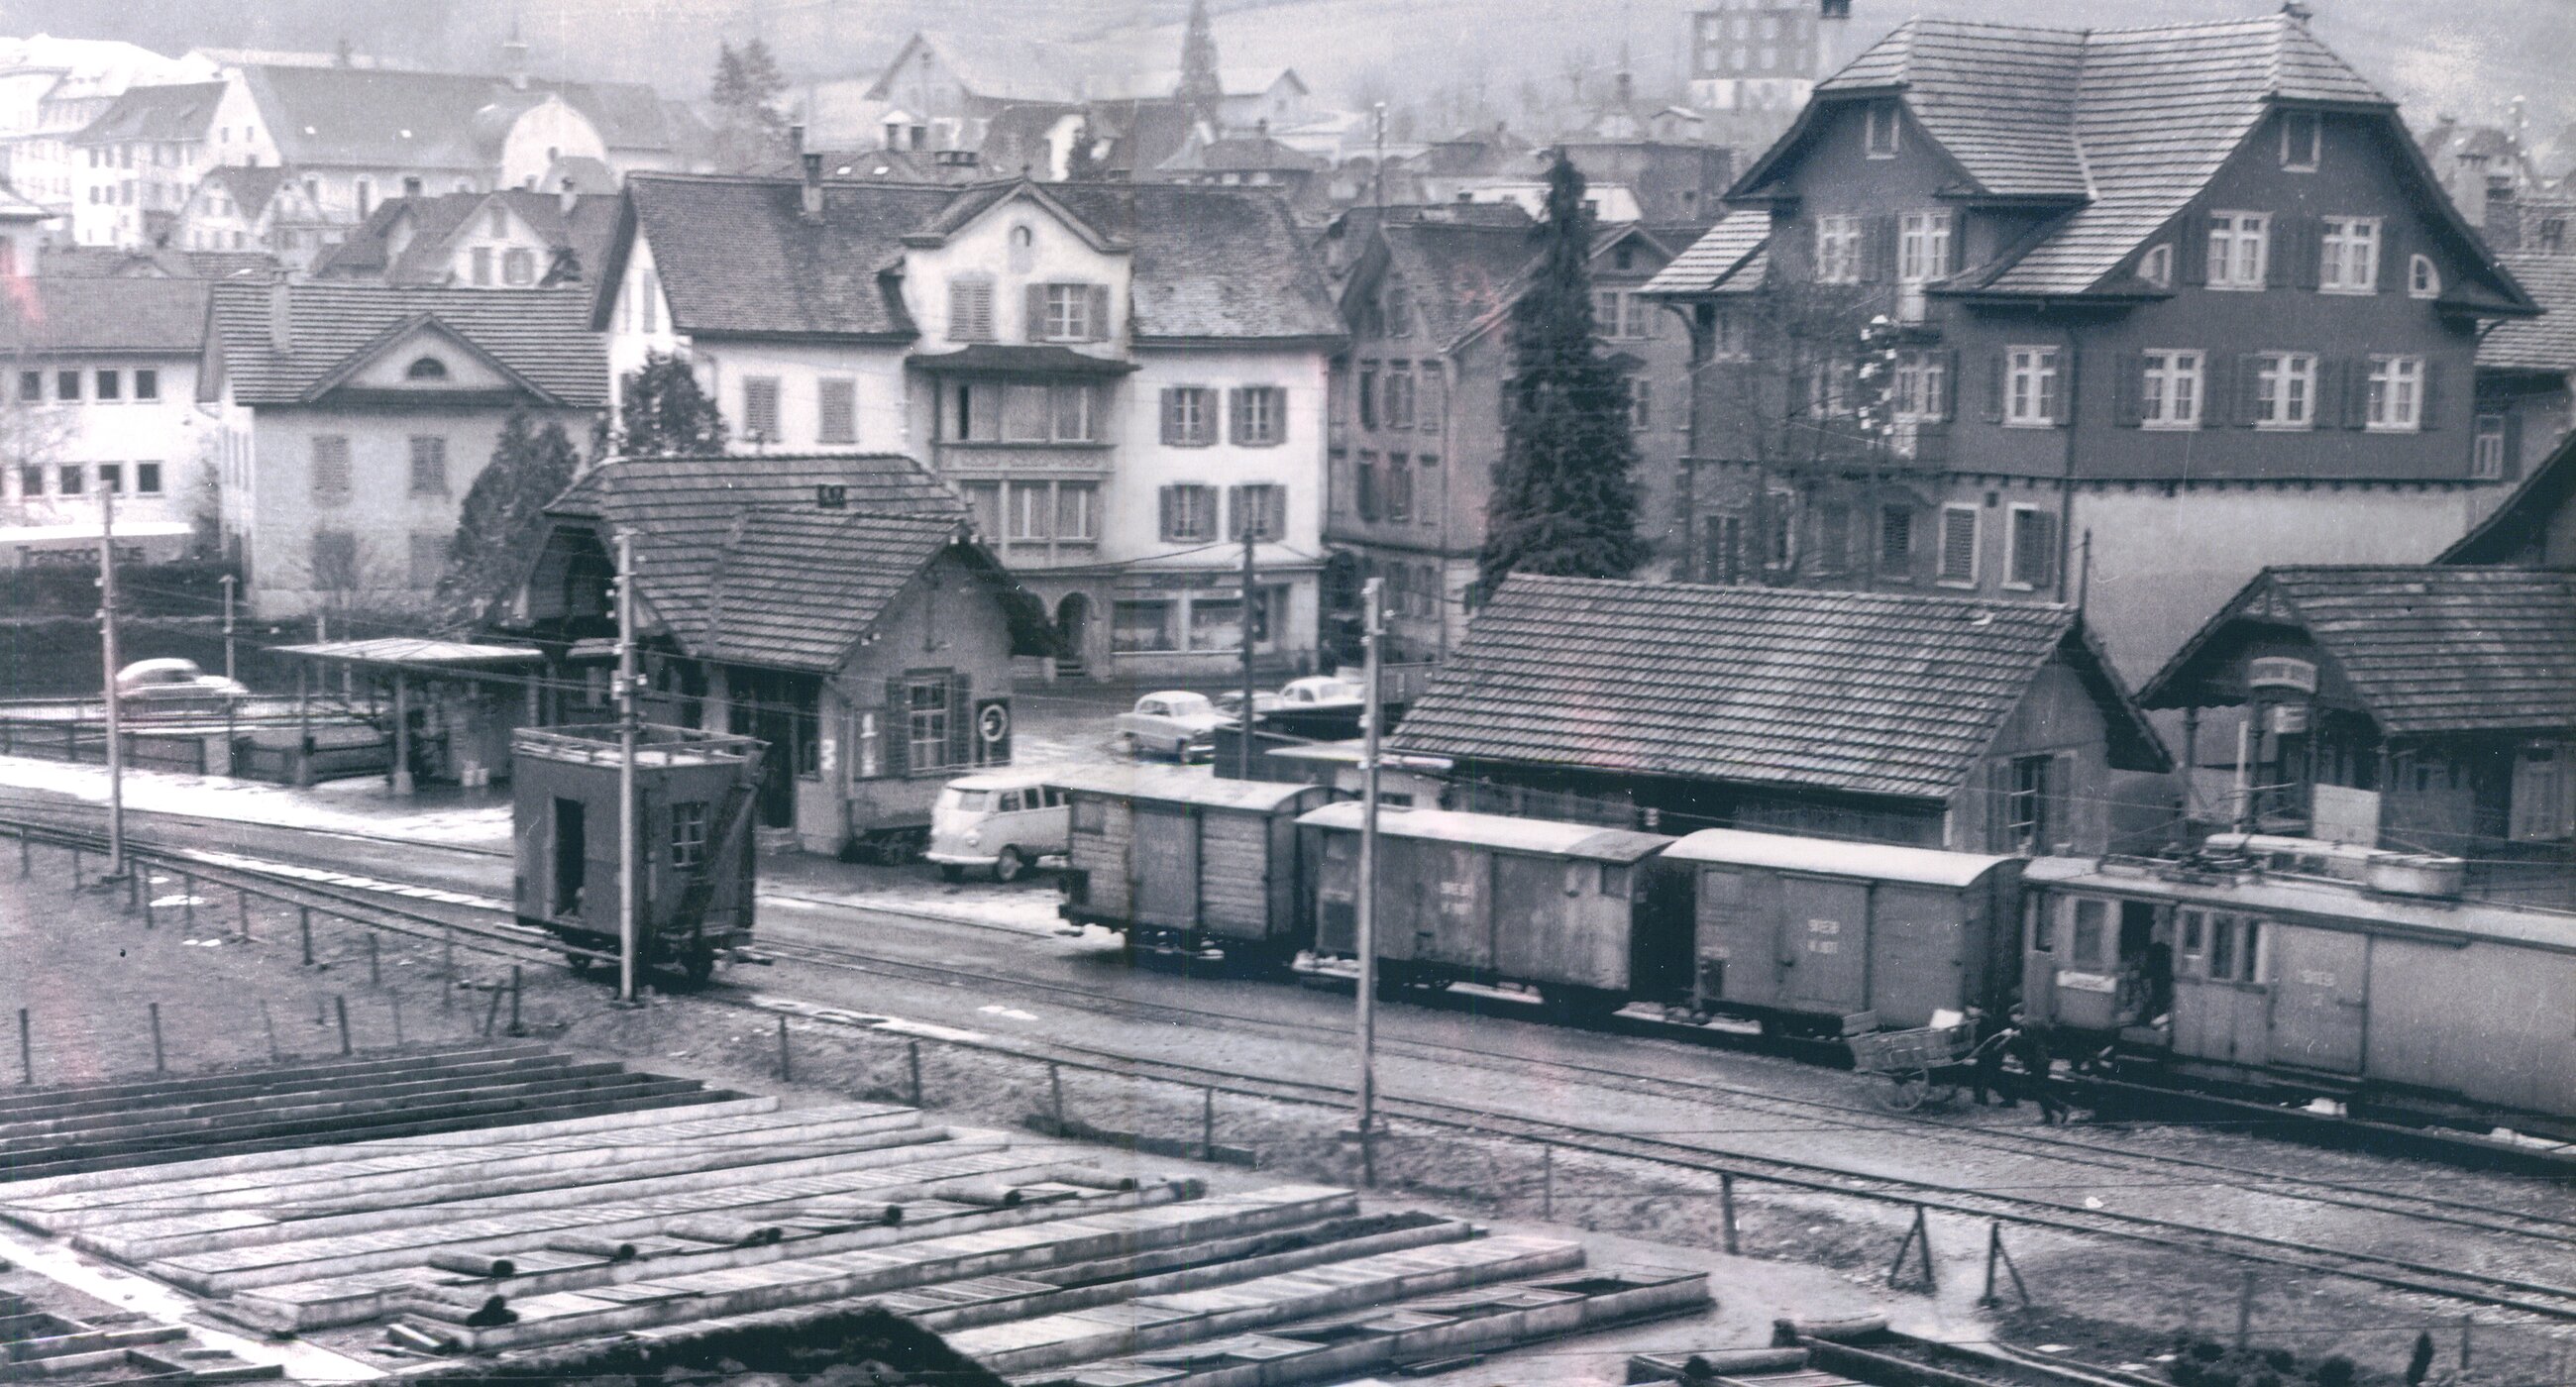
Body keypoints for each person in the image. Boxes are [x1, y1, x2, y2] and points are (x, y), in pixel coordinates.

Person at [2011, 1016, 2068, 1124]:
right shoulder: (2033, 1023)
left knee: (2038, 1091)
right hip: (2042, 1061)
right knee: (2039, 1090)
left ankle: (2062, 1108)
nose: (2012, 1019)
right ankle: (2048, 1116)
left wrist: (2016, 1035)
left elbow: (2025, 1044)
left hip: (2038, 1062)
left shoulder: (2024, 1026)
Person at [1968, 1006, 2014, 1108]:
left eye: (1971, 1008)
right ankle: (1981, 1098)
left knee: (1990, 1076)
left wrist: (1976, 1053)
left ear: (1978, 1009)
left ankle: (2010, 1099)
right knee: (1983, 1075)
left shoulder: (1983, 1020)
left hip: (1991, 1053)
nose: (1969, 1011)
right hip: (1987, 1052)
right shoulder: (1979, 1019)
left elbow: (1984, 1039)